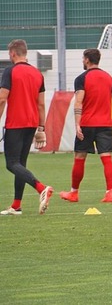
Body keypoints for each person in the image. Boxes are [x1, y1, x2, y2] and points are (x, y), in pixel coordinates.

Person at [0, 39, 53, 215]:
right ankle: (16, 205)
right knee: (20, 164)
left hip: (16, 123)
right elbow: (41, 105)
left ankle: (41, 188)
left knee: (11, 164)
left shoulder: (10, 71)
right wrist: (41, 128)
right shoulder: (38, 74)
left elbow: (2, 98)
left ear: (13, 53)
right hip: (31, 124)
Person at [60, 49, 112, 203]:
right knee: (106, 156)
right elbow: (108, 99)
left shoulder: (81, 78)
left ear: (86, 60)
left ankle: (74, 193)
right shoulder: (109, 78)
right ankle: (109, 193)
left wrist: (77, 123)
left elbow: (79, 101)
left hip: (87, 123)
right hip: (105, 123)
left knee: (79, 157)